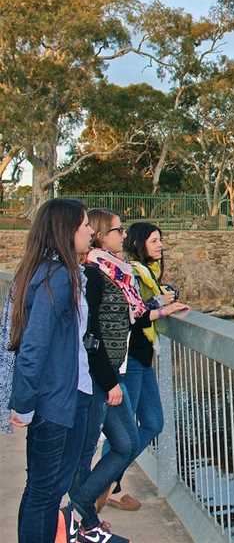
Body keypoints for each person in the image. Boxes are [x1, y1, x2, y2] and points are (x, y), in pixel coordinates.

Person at [68, 210, 187, 542]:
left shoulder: (113, 272)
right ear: (102, 237)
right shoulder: (95, 274)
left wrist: (161, 306)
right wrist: (109, 381)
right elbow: (94, 334)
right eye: (117, 230)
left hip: (117, 368)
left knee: (131, 436)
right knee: (108, 444)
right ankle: (83, 509)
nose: (123, 235)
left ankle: (85, 509)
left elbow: (132, 310)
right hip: (109, 372)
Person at [7, 199, 94, 543]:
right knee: (44, 493)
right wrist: (24, 403)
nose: (90, 231)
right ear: (66, 230)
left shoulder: (55, 272)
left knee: (46, 490)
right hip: (56, 404)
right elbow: (34, 345)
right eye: (85, 224)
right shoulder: (57, 276)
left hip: (67, 397)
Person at [102, 221, 183, 509]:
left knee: (152, 423)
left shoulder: (146, 273)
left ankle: (106, 482)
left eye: (161, 239)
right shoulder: (133, 272)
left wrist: (164, 297)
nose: (160, 245)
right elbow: (133, 313)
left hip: (143, 358)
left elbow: (144, 303)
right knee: (123, 430)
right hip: (131, 359)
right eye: (153, 240)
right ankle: (105, 486)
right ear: (139, 244)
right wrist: (163, 306)